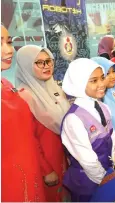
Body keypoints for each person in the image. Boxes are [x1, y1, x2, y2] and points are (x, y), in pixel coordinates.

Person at [15, 45, 70, 201]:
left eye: (48, 61)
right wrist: (46, 170)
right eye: (39, 62)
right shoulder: (24, 97)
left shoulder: (55, 88)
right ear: (26, 66)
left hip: (64, 156)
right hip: (47, 162)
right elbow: (28, 140)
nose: (46, 66)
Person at [1, 24, 46, 202]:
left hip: (30, 168)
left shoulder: (7, 85)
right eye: (0, 43)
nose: (9, 50)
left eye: (9, 42)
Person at [61, 58, 115, 201]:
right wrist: (107, 182)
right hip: (89, 183)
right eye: (93, 81)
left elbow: (113, 138)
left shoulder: (103, 107)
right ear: (79, 83)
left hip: (109, 175)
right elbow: (88, 161)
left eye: (102, 78)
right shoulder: (74, 119)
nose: (102, 84)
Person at [91, 57, 115, 144]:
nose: (113, 76)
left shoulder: (114, 89)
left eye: (113, 71)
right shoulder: (98, 98)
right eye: (107, 73)